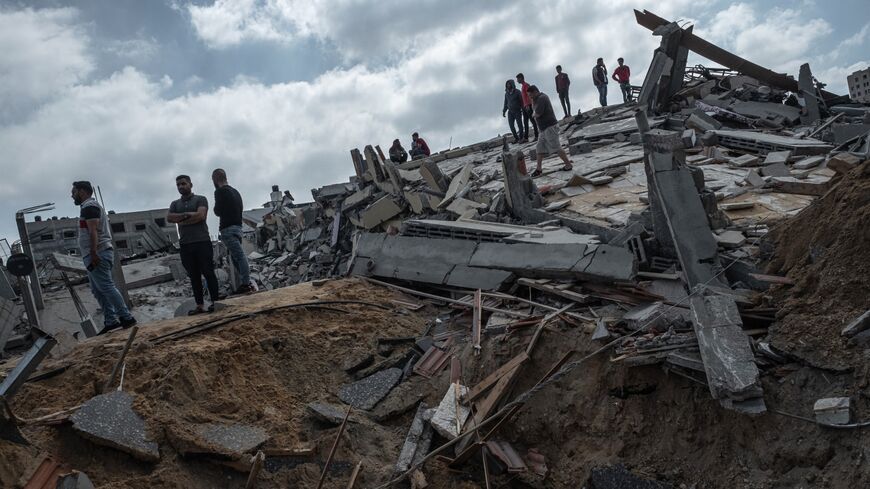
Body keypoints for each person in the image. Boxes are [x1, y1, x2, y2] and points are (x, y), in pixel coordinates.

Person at [71, 181, 136, 334]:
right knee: (97, 290)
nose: (71, 195)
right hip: (93, 253)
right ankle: (111, 321)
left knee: (106, 286)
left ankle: (126, 317)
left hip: (98, 252)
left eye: (73, 192)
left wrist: (94, 253)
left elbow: (94, 232)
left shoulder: (90, 207)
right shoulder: (87, 207)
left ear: (81, 191)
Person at [168, 175, 221, 315]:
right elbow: (170, 218)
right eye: (178, 184)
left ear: (190, 184)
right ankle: (200, 305)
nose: (181, 187)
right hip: (185, 245)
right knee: (194, 276)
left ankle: (216, 302)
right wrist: (190, 216)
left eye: (183, 184)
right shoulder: (174, 204)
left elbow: (201, 216)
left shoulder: (200, 199)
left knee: (208, 273)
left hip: (202, 241)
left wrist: (182, 218)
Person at [212, 169, 253, 295]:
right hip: (238, 227)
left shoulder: (219, 191)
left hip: (227, 228)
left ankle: (246, 283)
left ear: (215, 179)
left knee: (239, 256)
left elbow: (217, 211)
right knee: (236, 257)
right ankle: (244, 283)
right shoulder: (235, 191)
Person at [528, 85, 573, 177]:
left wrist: (533, 115)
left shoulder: (542, 98)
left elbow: (538, 113)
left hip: (550, 127)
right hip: (543, 129)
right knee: (539, 148)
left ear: (535, 92)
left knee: (556, 147)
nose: (530, 97)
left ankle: (568, 165)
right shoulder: (535, 100)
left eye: (530, 95)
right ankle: (539, 169)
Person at [516, 73, 539, 142]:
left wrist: (529, 105)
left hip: (528, 106)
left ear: (521, 78)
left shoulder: (526, 85)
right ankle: (525, 138)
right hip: (525, 106)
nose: (517, 80)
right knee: (525, 122)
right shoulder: (523, 86)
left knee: (533, 121)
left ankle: (537, 135)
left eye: (518, 79)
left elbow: (529, 96)